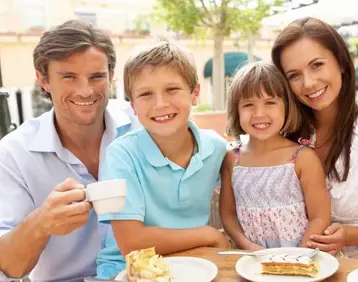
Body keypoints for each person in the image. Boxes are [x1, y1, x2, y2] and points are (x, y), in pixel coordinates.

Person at [0, 20, 139, 282]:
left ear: (111, 76)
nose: (85, 91)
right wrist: (41, 223)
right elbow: (9, 267)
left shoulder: (140, 124)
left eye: (96, 77)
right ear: (44, 80)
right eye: (68, 77)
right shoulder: (13, 154)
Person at [96, 41, 230, 279]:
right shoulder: (121, 154)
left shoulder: (217, 148)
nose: (160, 104)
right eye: (146, 94)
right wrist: (209, 234)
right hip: (126, 271)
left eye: (172, 89)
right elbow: (131, 243)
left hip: (195, 265)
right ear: (133, 105)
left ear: (195, 93)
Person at [271, 17, 358, 258]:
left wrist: (351, 235)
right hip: (282, 268)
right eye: (294, 75)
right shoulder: (279, 135)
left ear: (340, 62)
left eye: (317, 65)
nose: (308, 83)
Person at [219, 62, 331, 251]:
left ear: (286, 106)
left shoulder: (302, 158)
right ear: (236, 111)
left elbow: (320, 217)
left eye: (270, 103)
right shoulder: (232, 159)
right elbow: (228, 214)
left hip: (300, 258)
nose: (259, 114)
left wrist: (300, 254)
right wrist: (247, 246)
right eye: (248, 105)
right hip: (252, 262)